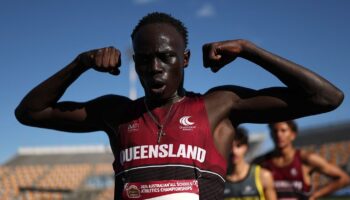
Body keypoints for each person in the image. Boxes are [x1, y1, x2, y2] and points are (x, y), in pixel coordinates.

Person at [15, 12, 344, 199]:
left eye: (165, 56)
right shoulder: (117, 112)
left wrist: (249, 50)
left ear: (184, 59)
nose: (155, 67)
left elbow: (327, 97)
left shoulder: (219, 106)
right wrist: (80, 63)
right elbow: (30, 112)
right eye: (144, 60)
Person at [255, 121, 350, 200]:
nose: (279, 134)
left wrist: (315, 195)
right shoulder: (262, 162)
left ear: (293, 135)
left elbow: (344, 178)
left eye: (283, 130)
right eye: (275, 131)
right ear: (271, 134)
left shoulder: (306, 158)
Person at [223, 127, 277, 200]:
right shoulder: (218, 179)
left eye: (238, 146)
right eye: (230, 146)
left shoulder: (263, 176)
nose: (234, 151)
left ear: (246, 147)